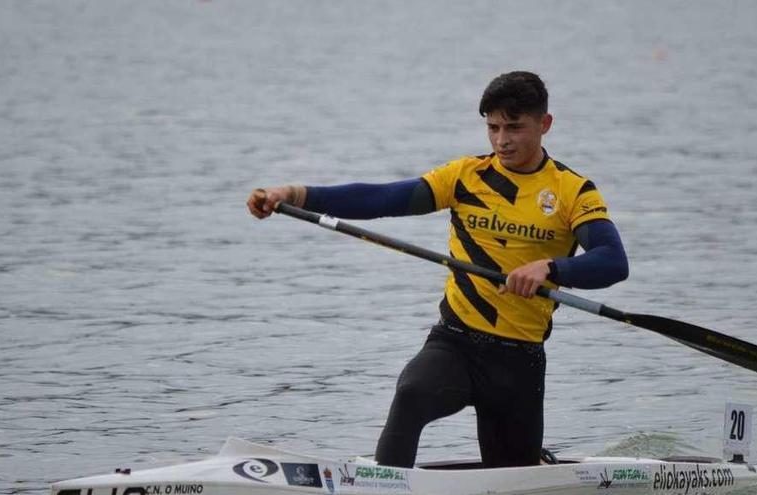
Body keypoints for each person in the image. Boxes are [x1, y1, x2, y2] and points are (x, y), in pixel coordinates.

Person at [247, 71, 628, 468]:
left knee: (513, 475)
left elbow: (612, 261)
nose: (502, 140)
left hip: (519, 362)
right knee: (412, 393)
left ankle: (536, 462)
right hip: (456, 343)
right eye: (493, 127)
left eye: (515, 127)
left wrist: (552, 268)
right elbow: (381, 197)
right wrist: (293, 194)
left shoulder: (573, 191)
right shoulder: (465, 177)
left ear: (544, 124)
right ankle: (384, 486)